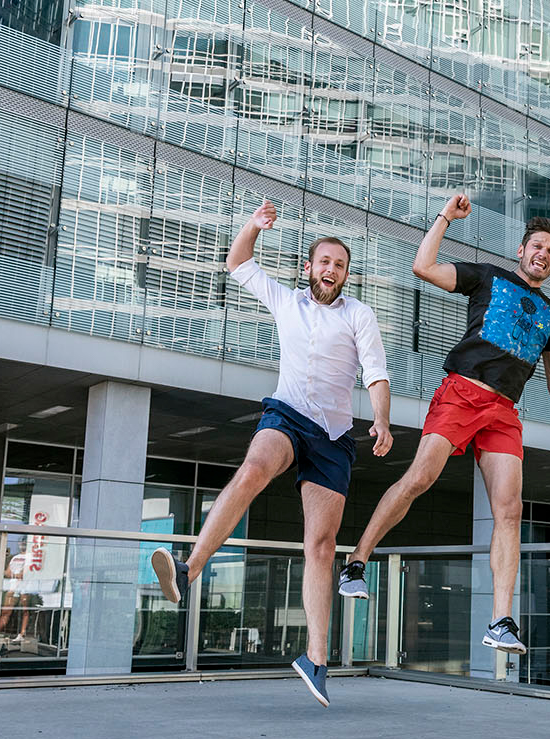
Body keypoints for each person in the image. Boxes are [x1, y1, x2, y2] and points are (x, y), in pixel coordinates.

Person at [149, 199, 392, 707]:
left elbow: (375, 372)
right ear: (309, 268)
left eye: (340, 264)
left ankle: (317, 661)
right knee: (255, 468)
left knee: (321, 547)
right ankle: (189, 569)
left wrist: (382, 419)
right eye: (324, 261)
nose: (331, 270)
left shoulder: (359, 315)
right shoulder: (287, 301)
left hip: (333, 436)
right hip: (286, 413)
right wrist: (253, 226)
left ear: (346, 275)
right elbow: (237, 262)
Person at [337, 196, 550, 658]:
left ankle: (500, 620)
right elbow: (422, 267)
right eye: (538, 247)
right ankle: (355, 563)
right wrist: (446, 217)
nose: (544, 255)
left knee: (510, 511)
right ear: (522, 250)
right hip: (462, 394)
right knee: (419, 479)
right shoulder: (488, 276)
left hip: (504, 412)